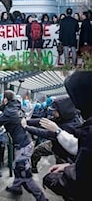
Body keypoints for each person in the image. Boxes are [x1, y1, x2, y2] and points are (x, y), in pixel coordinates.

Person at [0, 90, 47, 201]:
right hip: (26, 143)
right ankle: (16, 187)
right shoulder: (16, 107)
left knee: (26, 176)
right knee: (17, 167)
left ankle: (42, 198)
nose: (1, 101)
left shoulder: (9, 112)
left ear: (5, 99)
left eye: (2, 99)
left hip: (23, 146)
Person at [41, 72, 91, 201]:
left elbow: (80, 182)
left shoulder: (76, 127)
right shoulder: (73, 122)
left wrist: (50, 179)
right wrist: (71, 168)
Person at [21, 96, 82, 173]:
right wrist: (27, 121)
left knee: (59, 173)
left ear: (62, 111)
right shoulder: (65, 117)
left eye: (55, 111)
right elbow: (44, 121)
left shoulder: (71, 126)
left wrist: (26, 127)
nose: (53, 113)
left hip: (65, 154)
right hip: (55, 144)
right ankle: (33, 168)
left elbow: (45, 133)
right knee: (37, 151)